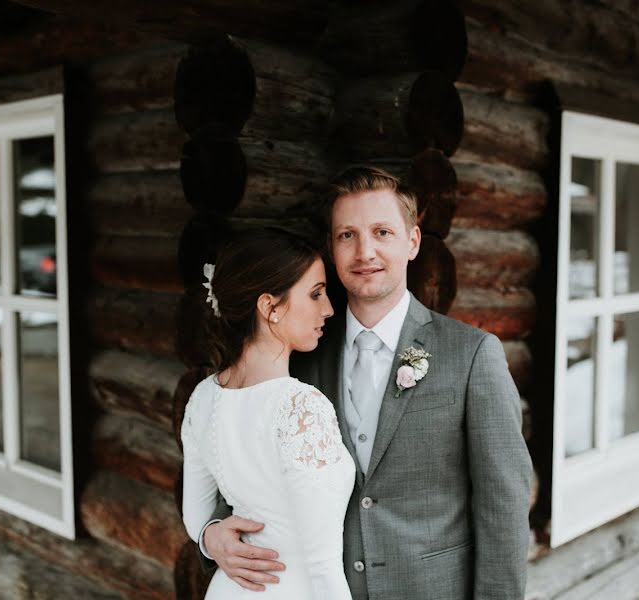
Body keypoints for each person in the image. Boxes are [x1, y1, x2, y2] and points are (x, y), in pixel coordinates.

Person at [201, 167, 532, 600]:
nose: (365, 252)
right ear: (332, 248)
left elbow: (503, 506)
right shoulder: (300, 354)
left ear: (412, 242)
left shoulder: (471, 355)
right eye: (347, 236)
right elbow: (247, 463)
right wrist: (211, 535)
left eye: (382, 232)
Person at [180, 227, 356, 599]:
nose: (328, 309)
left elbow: (197, 520)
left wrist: (212, 542)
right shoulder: (300, 408)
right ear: (269, 307)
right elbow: (323, 564)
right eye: (315, 294)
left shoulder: (201, 399)